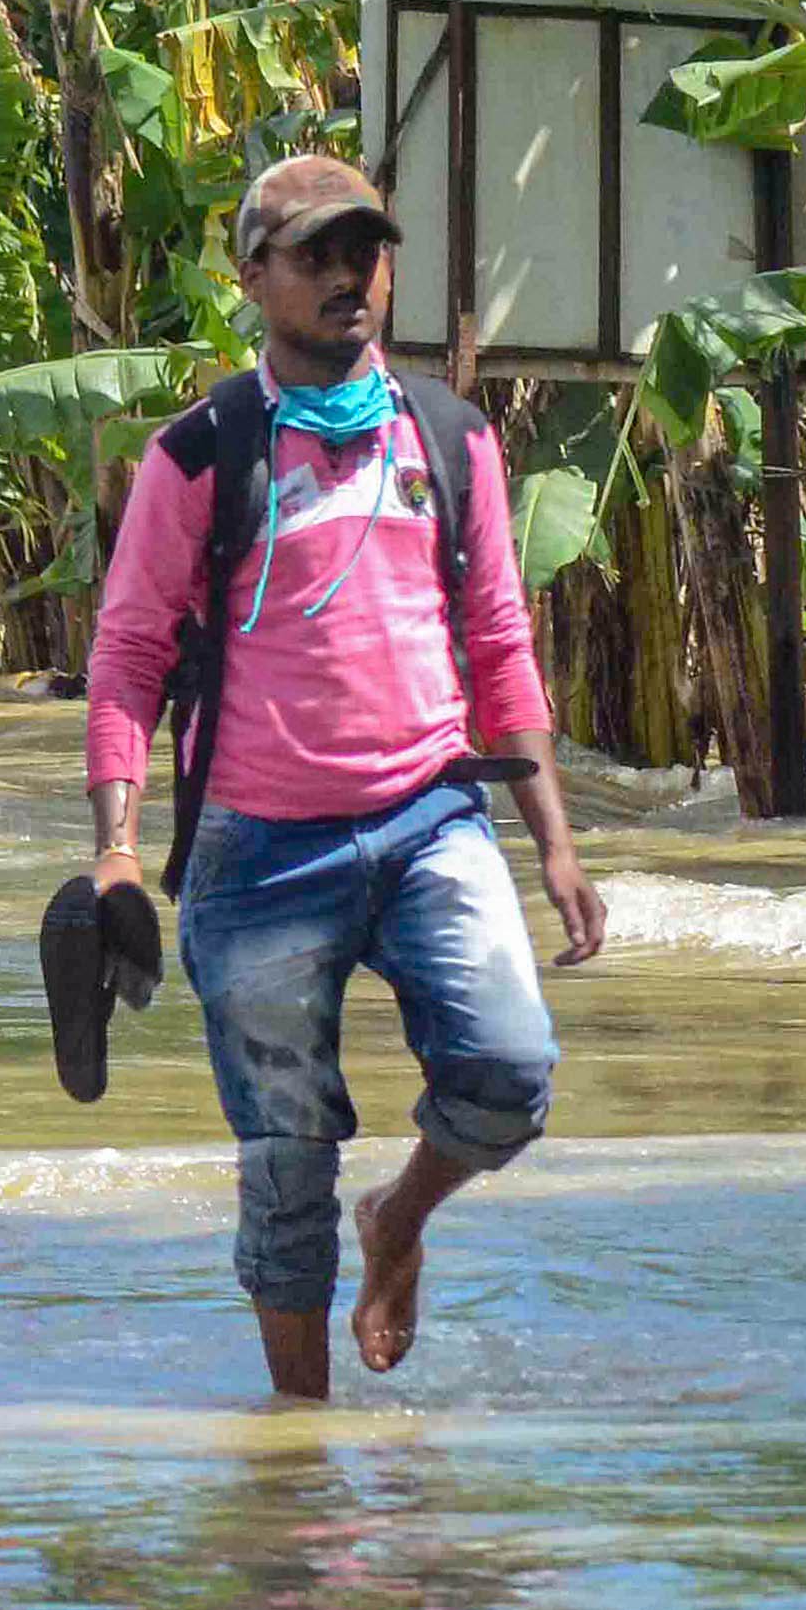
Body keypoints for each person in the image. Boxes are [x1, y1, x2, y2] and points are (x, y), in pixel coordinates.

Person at [80, 153, 605, 1399]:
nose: (348, 277)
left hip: (429, 819)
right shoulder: (202, 454)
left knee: (512, 1072)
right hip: (258, 852)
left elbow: (498, 643)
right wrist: (112, 842)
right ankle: (297, 1460)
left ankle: (403, 1219)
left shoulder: (450, 437)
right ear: (252, 275)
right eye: (315, 253)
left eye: (365, 250)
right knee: (284, 1164)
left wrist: (556, 844)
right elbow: (129, 653)